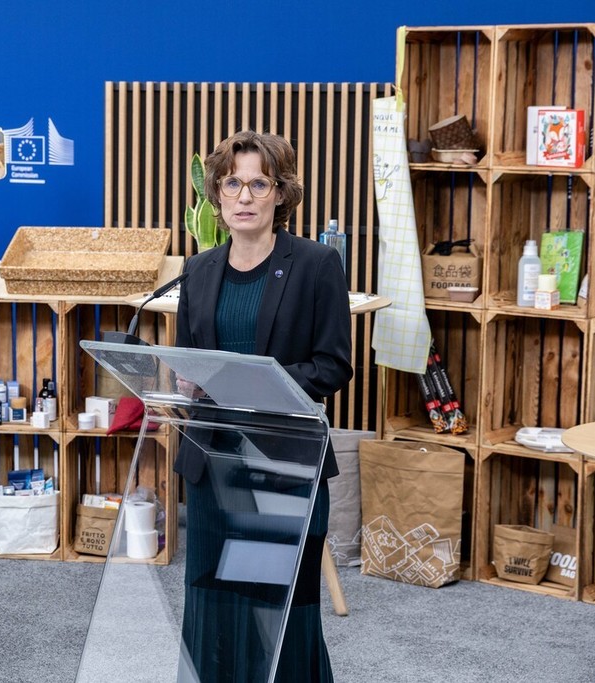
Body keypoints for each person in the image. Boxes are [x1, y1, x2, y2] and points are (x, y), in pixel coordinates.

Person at [174, 130, 353, 682]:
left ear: (281, 193)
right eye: (232, 183)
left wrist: (252, 381)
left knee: (280, 608)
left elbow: (333, 366)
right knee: (213, 601)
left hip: (283, 464)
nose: (244, 196)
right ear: (216, 194)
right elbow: (188, 361)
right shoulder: (198, 270)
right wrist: (184, 382)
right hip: (212, 464)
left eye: (259, 184)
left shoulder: (316, 264)